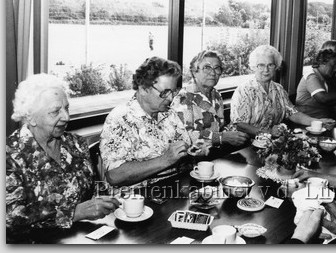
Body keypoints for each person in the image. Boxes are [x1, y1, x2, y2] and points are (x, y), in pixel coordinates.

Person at [6, 74, 120, 243]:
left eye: (67, 108)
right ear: (30, 117)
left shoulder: (77, 144)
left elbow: (93, 191)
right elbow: (11, 219)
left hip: (83, 236)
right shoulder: (10, 156)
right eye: (55, 112)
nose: (66, 117)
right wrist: (74, 212)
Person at [100, 56, 195, 187]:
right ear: (143, 88)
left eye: (173, 92)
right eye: (165, 92)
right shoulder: (121, 119)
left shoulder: (168, 113)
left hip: (172, 188)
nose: (171, 98)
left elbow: (185, 149)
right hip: (135, 199)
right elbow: (114, 176)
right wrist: (165, 160)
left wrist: (193, 150)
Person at [230, 45, 335, 137]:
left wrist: (317, 121)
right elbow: (240, 125)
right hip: (245, 144)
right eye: (261, 65)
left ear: (276, 67)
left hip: (271, 143)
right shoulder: (244, 90)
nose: (266, 70)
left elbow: (293, 113)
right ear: (253, 67)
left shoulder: (279, 89)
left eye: (270, 65)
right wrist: (268, 132)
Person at [171, 50, 249, 149]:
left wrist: (235, 133)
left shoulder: (216, 95)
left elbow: (219, 127)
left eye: (217, 68)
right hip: (193, 158)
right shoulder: (185, 99)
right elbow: (187, 136)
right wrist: (222, 137)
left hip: (215, 152)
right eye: (207, 68)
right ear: (194, 72)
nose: (213, 73)